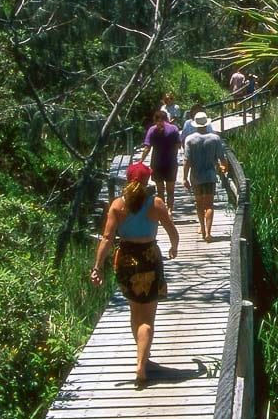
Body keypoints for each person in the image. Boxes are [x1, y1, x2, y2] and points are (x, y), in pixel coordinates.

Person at [90, 162, 180, 386]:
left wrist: (97, 266)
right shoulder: (156, 203)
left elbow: (107, 238)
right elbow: (172, 230)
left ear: (128, 179)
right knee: (148, 317)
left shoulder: (118, 205)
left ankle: (142, 357)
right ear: (147, 180)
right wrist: (174, 247)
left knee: (135, 311)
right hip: (149, 258)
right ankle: (142, 363)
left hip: (127, 261)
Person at [183, 111, 228, 242]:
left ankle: (202, 227)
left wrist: (184, 178)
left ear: (195, 124)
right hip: (209, 175)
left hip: (196, 176)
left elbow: (187, 161)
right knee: (209, 205)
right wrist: (224, 169)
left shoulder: (190, 139)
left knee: (199, 204)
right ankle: (208, 232)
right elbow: (222, 159)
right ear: (206, 124)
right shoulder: (215, 138)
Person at [139, 109, 181, 208]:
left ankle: (162, 212)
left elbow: (147, 148)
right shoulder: (174, 129)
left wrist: (141, 161)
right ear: (167, 118)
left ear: (155, 119)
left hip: (156, 163)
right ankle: (170, 211)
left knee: (160, 191)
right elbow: (178, 145)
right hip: (171, 163)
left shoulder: (152, 130)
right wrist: (173, 154)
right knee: (170, 191)